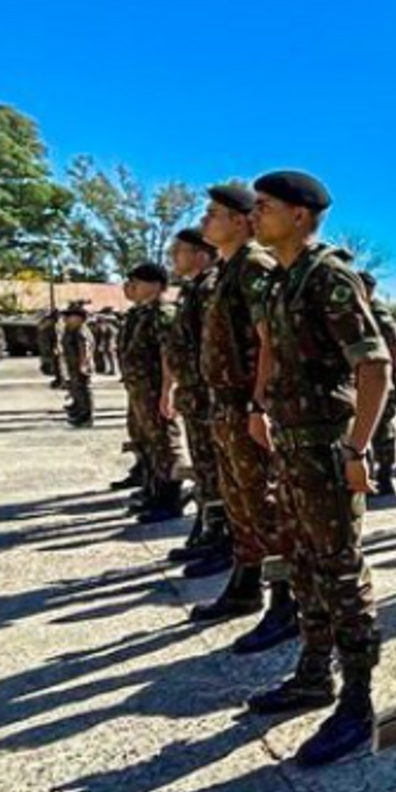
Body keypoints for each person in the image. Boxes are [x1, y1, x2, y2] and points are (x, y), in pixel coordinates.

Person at [244, 170, 393, 768]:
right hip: (293, 447)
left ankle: (358, 701)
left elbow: (374, 364)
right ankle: (312, 673)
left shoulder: (328, 276)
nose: (256, 215)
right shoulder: (283, 281)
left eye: (266, 207)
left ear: (301, 215)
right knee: (304, 563)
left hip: (328, 447)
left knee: (339, 570)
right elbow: (272, 351)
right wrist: (261, 408)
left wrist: (357, 449)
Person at [191, 182, 294, 650]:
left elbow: (270, 339)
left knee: (265, 504)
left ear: (240, 220)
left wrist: (259, 405)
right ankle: (246, 582)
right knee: (240, 502)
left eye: (213, 214)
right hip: (225, 405)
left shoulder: (253, 267)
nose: (204, 221)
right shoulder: (226, 271)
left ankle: (285, 601)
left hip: (245, 405)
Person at [164, 226, 227, 577]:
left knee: (216, 471)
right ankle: (209, 531)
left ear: (202, 255)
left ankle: (221, 538)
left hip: (210, 398)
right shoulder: (192, 291)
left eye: (181, 251)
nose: (175, 257)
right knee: (205, 469)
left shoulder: (210, 288)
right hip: (196, 396)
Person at [121, 264, 186, 521]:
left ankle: (170, 499)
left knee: (164, 444)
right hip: (140, 390)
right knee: (147, 442)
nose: (131, 286)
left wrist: (168, 390)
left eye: (137, 281)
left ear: (156, 285)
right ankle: (153, 491)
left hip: (156, 389)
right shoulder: (141, 314)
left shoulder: (164, 313)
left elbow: (168, 354)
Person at [360, 271, 396, 497]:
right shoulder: (362, 309)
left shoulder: (377, 311)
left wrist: (394, 373)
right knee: (368, 430)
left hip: (381, 379)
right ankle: (371, 478)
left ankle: (385, 477)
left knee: (383, 429)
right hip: (364, 379)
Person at [61, 303, 95, 426]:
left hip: (81, 365)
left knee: (83, 391)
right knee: (76, 389)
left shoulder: (81, 331)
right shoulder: (72, 330)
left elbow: (84, 349)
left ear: (79, 318)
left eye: (70, 316)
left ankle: (85, 417)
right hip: (74, 364)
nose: (67, 319)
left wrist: (83, 364)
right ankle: (79, 412)